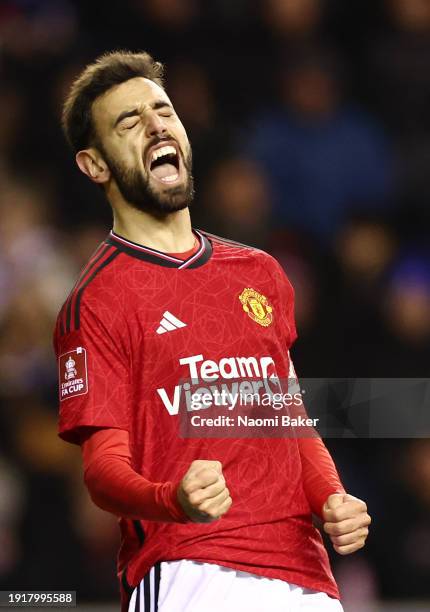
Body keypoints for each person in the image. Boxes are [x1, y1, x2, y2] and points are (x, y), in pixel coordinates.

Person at [54, 51, 371, 612]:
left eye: (163, 112)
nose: (156, 126)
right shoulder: (97, 301)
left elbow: (288, 419)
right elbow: (102, 470)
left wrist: (331, 497)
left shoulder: (260, 273)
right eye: (130, 122)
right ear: (94, 165)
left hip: (304, 574)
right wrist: (171, 498)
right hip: (191, 570)